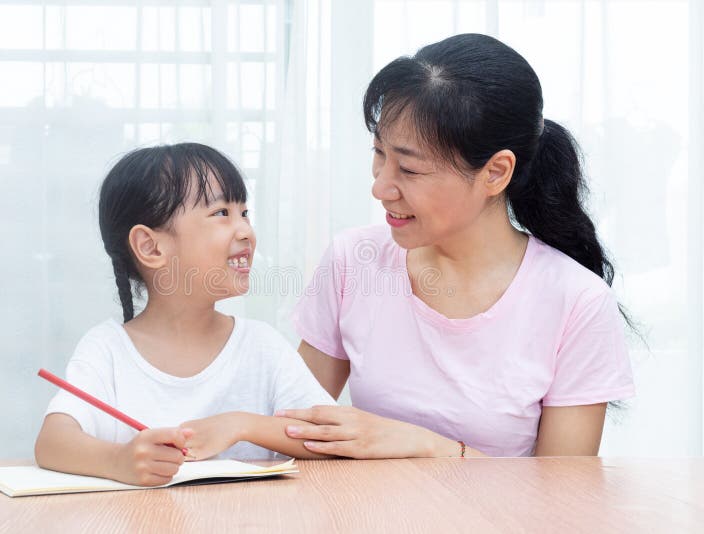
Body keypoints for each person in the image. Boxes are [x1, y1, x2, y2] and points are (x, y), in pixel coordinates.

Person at [278, 33, 635, 458]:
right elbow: (294, 432)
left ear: (495, 172)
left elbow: (561, 500)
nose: (380, 186)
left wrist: (427, 448)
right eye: (378, 153)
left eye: (409, 169)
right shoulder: (354, 261)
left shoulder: (577, 301)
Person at [35, 143, 333, 486]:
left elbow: (332, 433)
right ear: (151, 247)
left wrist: (239, 424)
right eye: (222, 213)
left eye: (244, 213)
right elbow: (52, 443)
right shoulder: (108, 349)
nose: (246, 231)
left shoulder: (261, 345)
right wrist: (120, 460)